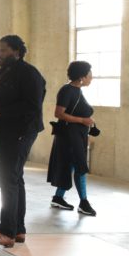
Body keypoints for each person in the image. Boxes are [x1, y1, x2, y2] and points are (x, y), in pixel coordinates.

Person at [0, 35, 46, 248]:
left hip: (19, 132)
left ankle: (6, 232)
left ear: (17, 51)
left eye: (4, 50)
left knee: (8, 180)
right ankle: (18, 230)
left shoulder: (29, 73)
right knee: (14, 179)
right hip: (3, 130)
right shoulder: (5, 72)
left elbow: (32, 106)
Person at [46, 61, 97, 216]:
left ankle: (58, 197)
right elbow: (59, 113)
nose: (91, 78)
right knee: (80, 167)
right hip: (70, 136)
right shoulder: (67, 90)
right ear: (82, 77)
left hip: (77, 135)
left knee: (72, 166)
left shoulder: (77, 90)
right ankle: (84, 203)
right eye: (90, 75)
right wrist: (82, 121)